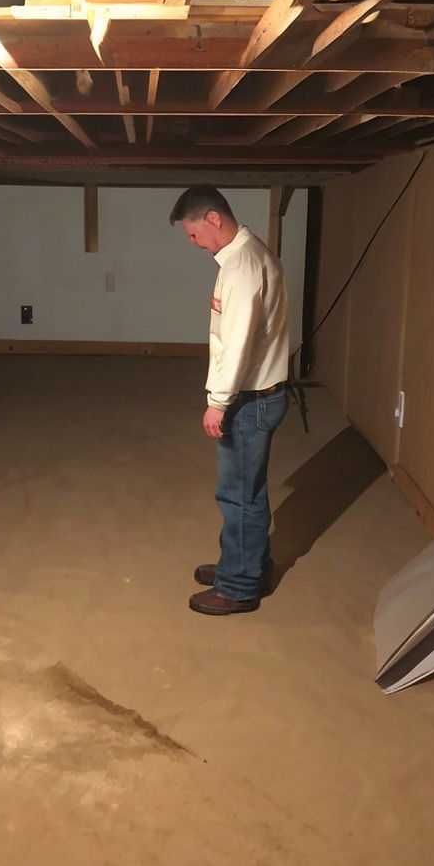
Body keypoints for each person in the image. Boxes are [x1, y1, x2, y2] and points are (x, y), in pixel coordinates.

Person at [170, 185, 289, 615]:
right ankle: (243, 566)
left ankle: (238, 587)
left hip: (248, 399)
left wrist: (218, 402)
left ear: (214, 219)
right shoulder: (249, 253)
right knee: (247, 491)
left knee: (238, 494)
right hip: (260, 393)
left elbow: (237, 343)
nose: (193, 242)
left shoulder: (242, 267)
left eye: (193, 233)